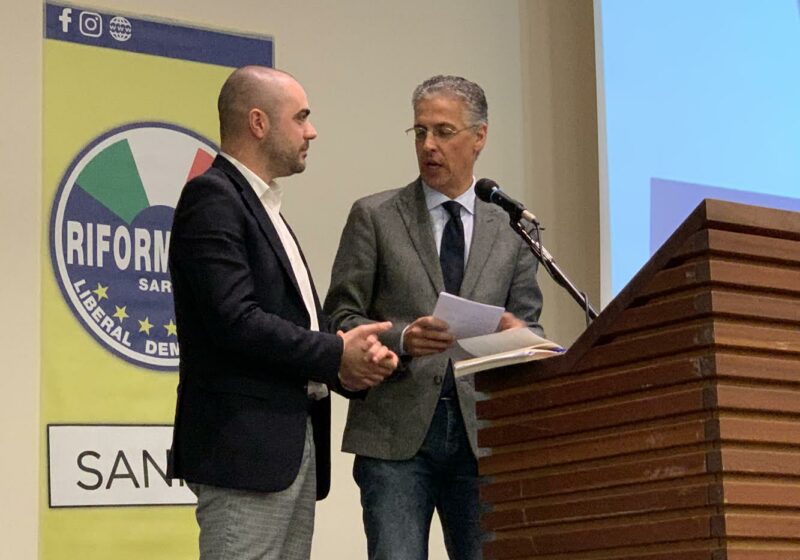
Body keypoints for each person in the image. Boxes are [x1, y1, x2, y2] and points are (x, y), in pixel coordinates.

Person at [168, 66, 399, 560]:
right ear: (258, 122)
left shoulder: (263, 205)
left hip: (290, 446)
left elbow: (298, 322)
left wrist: (355, 359)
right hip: (243, 451)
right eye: (301, 117)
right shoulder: (213, 197)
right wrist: (335, 352)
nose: (311, 131)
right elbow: (234, 320)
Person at [324, 75, 544, 560]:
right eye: (420, 131)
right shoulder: (375, 215)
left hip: (482, 435)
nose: (428, 145)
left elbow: (530, 327)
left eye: (444, 131)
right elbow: (339, 317)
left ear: (479, 137)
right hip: (395, 434)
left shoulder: (511, 230)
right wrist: (402, 339)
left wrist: (517, 335)